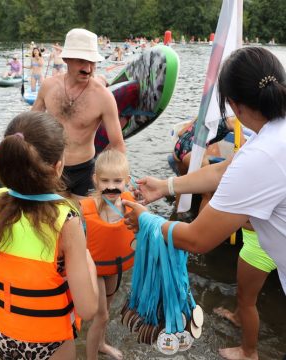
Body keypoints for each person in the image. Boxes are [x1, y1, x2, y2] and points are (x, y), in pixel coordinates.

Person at [122, 47, 286, 360]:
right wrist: (166, 186)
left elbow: (197, 239)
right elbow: (226, 170)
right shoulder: (272, 137)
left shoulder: (264, 154)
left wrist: (147, 220)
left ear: (234, 105)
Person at [0, 111, 99, 360]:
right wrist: (89, 262)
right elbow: (88, 309)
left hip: (3, 337)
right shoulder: (66, 222)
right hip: (50, 344)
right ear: (58, 167)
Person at [32, 28, 125, 198]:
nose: (88, 69)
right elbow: (30, 126)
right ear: (66, 59)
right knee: (53, 220)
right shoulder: (48, 86)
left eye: (93, 62)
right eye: (82, 61)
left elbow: (118, 145)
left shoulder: (104, 97)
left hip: (85, 171)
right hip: (52, 167)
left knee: (82, 220)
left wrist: (116, 181)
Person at [81, 149, 135, 360]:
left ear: (127, 181)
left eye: (117, 180)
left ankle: (101, 344)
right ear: (95, 180)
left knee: (108, 308)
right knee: (102, 316)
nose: (111, 186)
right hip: (94, 267)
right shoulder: (88, 206)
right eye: (105, 180)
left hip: (114, 263)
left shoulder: (130, 204)